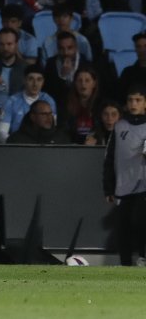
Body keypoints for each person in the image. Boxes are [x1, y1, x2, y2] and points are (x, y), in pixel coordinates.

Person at [103, 84, 146, 266]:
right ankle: (125, 263)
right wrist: (108, 186)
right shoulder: (119, 127)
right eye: (130, 100)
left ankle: (143, 258)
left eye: (138, 100)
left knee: (142, 223)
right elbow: (110, 158)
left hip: (144, 185)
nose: (133, 103)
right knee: (124, 228)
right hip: (124, 186)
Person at [0, 64, 57, 143]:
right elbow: (1, 133)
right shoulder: (11, 102)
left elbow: (52, 129)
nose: (35, 84)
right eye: (31, 79)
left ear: (43, 82)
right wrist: (16, 145)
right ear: (24, 80)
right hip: (17, 145)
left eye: (39, 80)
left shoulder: (49, 101)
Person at [43, 31, 91, 108]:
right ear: (57, 49)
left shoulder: (87, 64)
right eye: (62, 49)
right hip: (59, 107)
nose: (66, 52)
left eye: (69, 48)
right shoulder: (50, 64)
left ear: (76, 47)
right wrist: (63, 76)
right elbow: (48, 92)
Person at [62, 66, 101, 144]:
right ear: (75, 83)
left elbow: (103, 131)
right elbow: (64, 132)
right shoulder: (66, 105)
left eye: (87, 80)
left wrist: (97, 140)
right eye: (79, 80)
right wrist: (83, 140)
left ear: (94, 84)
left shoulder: (101, 106)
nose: (83, 84)